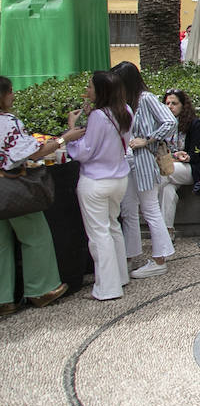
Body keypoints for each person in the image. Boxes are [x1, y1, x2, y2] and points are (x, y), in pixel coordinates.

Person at [0, 76, 74, 315]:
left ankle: (4, 299)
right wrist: (65, 137)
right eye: (10, 91)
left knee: (1, 244)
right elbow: (33, 153)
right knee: (35, 235)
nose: (13, 95)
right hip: (11, 189)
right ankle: (41, 289)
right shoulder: (8, 122)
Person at [65, 71, 133, 301]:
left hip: (95, 181)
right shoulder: (126, 111)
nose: (88, 90)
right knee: (112, 227)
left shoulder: (98, 116)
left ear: (101, 91)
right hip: (118, 179)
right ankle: (120, 277)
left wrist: (70, 132)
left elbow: (85, 151)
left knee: (99, 233)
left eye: (90, 87)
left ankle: (108, 287)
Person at [111, 61, 178, 278]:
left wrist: (147, 140)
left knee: (149, 208)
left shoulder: (145, 99)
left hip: (143, 161)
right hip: (128, 162)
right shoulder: (127, 102)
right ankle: (131, 256)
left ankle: (160, 259)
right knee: (129, 209)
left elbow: (169, 122)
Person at [159, 89, 200, 237]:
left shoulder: (194, 124)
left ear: (183, 106)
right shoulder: (163, 126)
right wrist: (174, 155)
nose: (170, 107)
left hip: (191, 168)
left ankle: (144, 204)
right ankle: (167, 233)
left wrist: (187, 157)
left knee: (163, 175)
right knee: (167, 191)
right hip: (172, 166)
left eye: (174, 103)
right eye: (167, 103)